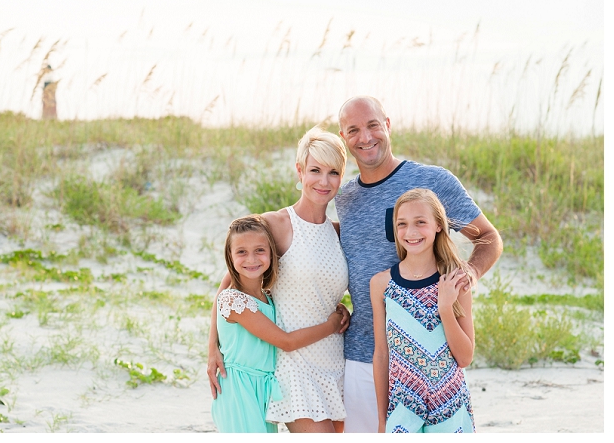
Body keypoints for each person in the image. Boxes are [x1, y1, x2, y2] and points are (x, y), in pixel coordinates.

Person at [335, 95, 502, 432]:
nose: (365, 137)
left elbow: (488, 237)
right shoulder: (344, 197)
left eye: (372, 125)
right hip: (360, 358)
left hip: (428, 361)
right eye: (353, 130)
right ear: (343, 138)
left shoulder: (433, 182)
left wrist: (467, 274)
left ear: (388, 125)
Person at [208, 126, 350, 433]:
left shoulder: (338, 232)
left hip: (335, 358)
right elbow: (228, 283)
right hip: (293, 362)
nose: (324, 181)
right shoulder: (277, 223)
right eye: (314, 170)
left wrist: (343, 313)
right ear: (299, 171)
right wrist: (212, 349)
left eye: (333, 172)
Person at [211, 214, 344, 433]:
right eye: (241, 252)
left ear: (272, 253)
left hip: (263, 390)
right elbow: (287, 342)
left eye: (260, 250)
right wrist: (331, 326)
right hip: (240, 390)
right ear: (230, 257)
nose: (251, 259)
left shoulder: (267, 297)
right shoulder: (234, 301)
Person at [371, 188, 476, 433]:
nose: (411, 232)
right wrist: (381, 419)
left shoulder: (455, 280)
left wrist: (445, 308)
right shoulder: (381, 284)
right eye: (402, 224)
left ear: (438, 225)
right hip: (402, 407)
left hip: (449, 403)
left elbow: (465, 357)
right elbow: (381, 355)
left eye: (421, 222)